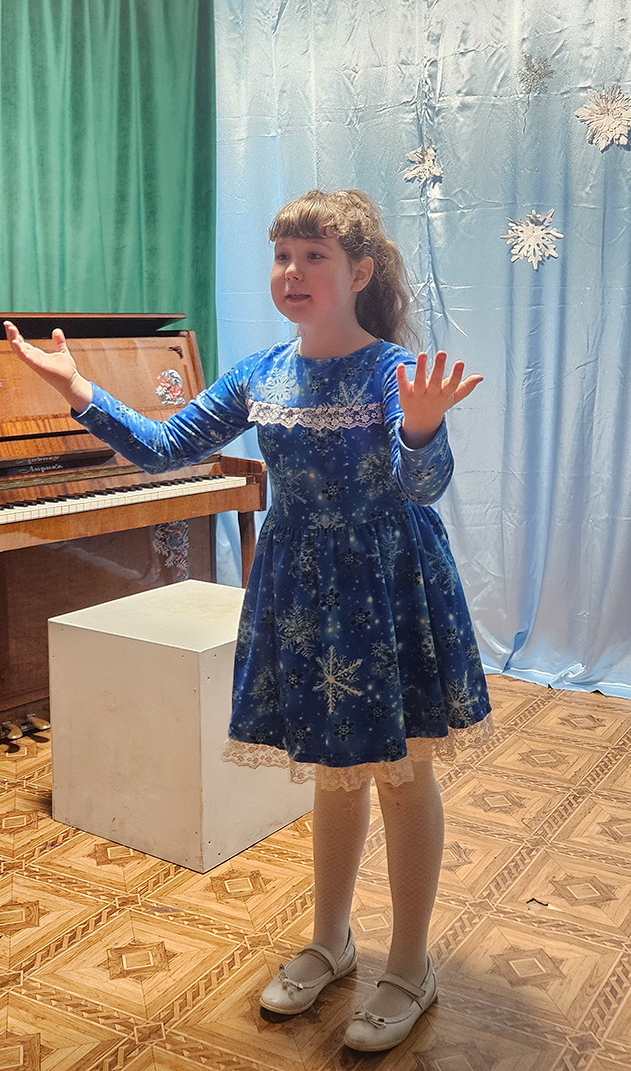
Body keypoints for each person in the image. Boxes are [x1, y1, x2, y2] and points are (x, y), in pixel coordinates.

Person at [3, 187, 492, 1053]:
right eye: (282, 256)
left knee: (399, 773)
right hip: (300, 592)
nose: (292, 272)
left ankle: (410, 965)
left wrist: (420, 431)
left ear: (359, 273)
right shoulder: (258, 372)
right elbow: (165, 449)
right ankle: (331, 941)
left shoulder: (391, 371)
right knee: (330, 770)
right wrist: (78, 389)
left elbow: (422, 489)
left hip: (384, 589)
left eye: (313, 257)